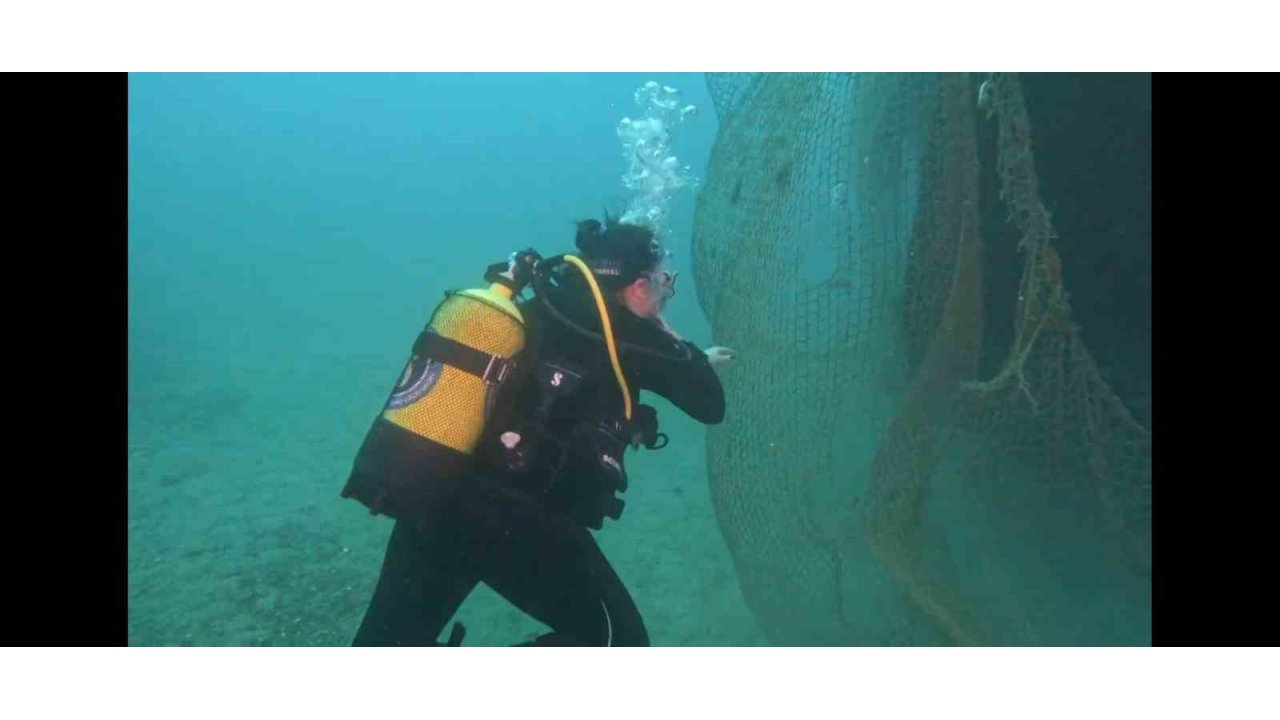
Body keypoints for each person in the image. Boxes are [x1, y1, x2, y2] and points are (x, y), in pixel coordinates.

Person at [344, 216, 734, 646]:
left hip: (440, 494)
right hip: (519, 521)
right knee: (616, 642)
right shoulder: (630, 334)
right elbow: (709, 405)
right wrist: (677, 344)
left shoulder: (538, 308)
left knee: (384, 646)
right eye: (664, 283)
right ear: (638, 286)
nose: (665, 297)